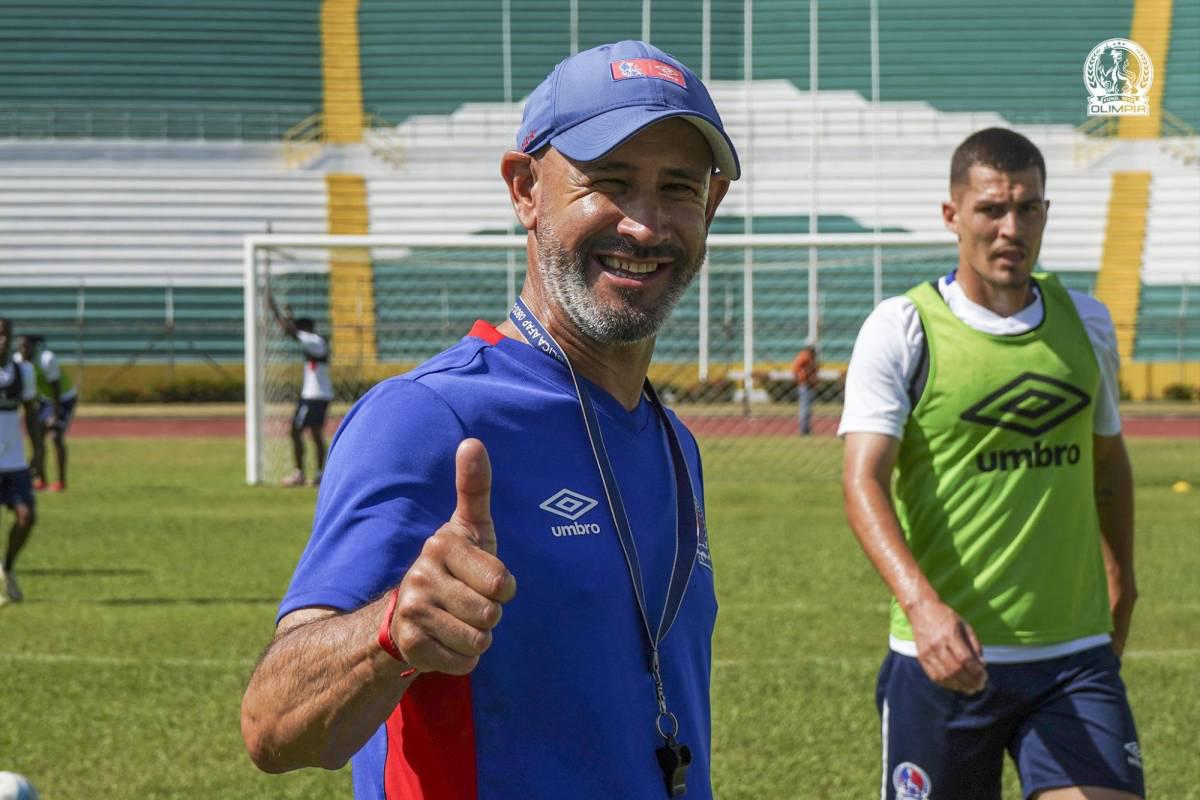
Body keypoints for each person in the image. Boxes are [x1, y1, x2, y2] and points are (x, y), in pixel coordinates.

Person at [241, 40, 737, 798]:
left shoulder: (673, 441)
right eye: (608, 182)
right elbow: (273, 727)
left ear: (710, 205)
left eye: (677, 187)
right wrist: (389, 633)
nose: (645, 225)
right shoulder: (430, 418)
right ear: (525, 189)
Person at [840, 128, 1142, 800]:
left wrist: (1123, 573)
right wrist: (921, 607)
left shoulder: (1087, 324)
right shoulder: (902, 329)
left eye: (1029, 208)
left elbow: (1108, 461)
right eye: (992, 209)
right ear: (953, 215)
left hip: (1073, 657)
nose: (1012, 228)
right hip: (945, 660)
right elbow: (863, 480)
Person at [267, 292, 333, 487]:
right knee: (315, 435)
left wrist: (273, 309)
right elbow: (292, 328)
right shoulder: (316, 342)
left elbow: (290, 330)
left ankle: (300, 474)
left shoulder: (314, 340)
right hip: (319, 395)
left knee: (296, 432)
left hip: (313, 397)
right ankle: (320, 474)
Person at [0, 320, 41, 606]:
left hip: (14, 462)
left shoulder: (23, 372)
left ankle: (8, 567)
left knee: (27, 517)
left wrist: (39, 452)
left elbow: (31, 413)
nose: (0, 341)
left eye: (4, 335)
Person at [14, 335, 77, 492]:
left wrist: (55, 416)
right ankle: (41, 480)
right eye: (19, 347)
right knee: (37, 437)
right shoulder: (18, 361)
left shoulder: (47, 359)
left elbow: (55, 388)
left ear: (34, 347)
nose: (22, 350)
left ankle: (61, 481)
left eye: (26, 347)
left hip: (63, 399)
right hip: (43, 400)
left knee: (55, 436)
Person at [791, 342, 819, 435]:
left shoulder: (812, 357)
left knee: (808, 409)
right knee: (804, 408)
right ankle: (803, 429)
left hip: (810, 385)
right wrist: (804, 375)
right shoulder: (804, 356)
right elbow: (795, 367)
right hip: (805, 384)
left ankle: (807, 428)